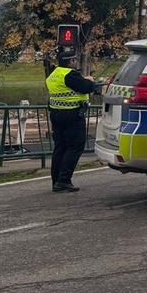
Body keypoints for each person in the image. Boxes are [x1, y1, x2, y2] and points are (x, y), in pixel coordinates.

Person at [45, 54, 97, 192]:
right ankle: (64, 180)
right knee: (75, 146)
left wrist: (84, 79)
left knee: (60, 147)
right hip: (72, 114)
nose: (76, 62)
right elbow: (87, 87)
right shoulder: (71, 75)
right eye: (74, 60)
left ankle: (56, 181)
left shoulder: (53, 74)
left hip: (56, 114)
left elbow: (70, 86)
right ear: (70, 62)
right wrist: (91, 81)